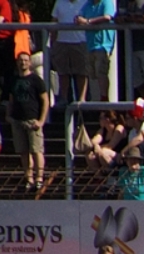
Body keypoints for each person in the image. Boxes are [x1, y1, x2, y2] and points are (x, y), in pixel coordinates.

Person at [7, 52, 47, 191]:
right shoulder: (13, 80)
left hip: (32, 120)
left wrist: (41, 120)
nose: (23, 63)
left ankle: (39, 178)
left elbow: (45, 100)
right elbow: (11, 100)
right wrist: (9, 115)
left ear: (30, 63)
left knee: (36, 150)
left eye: (25, 60)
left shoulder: (36, 80)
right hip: (18, 120)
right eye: (20, 60)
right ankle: (28, 178)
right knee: (23, 151)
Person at [50, 0, 90, 105]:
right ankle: (64, 98)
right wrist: (52, 43)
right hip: (62, 42)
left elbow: (90, 19)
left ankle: (82, 99)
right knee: (63, 73)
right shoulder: (59, 2)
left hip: (81, 42)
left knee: (82, 72)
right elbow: (54, 22)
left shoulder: (86, 2)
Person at [76, 0, 116, 101]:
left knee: (101, 72)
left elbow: (107, 17)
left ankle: (104, 98)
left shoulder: (106, 2)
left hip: (103, 44)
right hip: (91, 45)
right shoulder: (88, 4)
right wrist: (78, 20)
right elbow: (79, 16)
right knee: (93, 74)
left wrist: (88, 21)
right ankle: (97, 102)